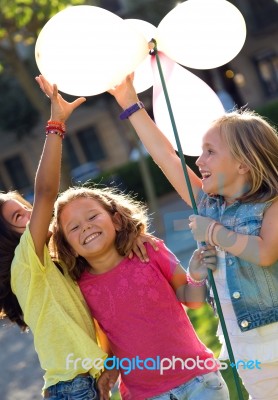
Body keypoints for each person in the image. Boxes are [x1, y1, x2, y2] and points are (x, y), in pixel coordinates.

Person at [108, 75, 278, 400]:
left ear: (243, 163)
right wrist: (130, 103)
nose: (198, 161)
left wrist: (213, 232)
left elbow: (266, 252)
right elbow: (166, 157)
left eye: (210, 152)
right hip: (244, 347)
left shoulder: (270, 205)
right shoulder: (206, 204)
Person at [51, 184, 230, 400]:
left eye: (92, 217)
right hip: (144, 395)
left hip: (199, 381)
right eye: (74, 227)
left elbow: (192, 301)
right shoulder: (81, 288)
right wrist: (110, 368)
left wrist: (197, 276)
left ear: (116, 221)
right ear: (68, 246)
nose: (86, 227)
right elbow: (108, 338)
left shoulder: (150, 250)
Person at [0, 75, 110, 399]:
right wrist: (56, 124)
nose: (34, 214)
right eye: (20, 217)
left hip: (85, 380)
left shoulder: (53, 263)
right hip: (73, 386)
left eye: (25, 208)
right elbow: (46, 192)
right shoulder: (25, 264)